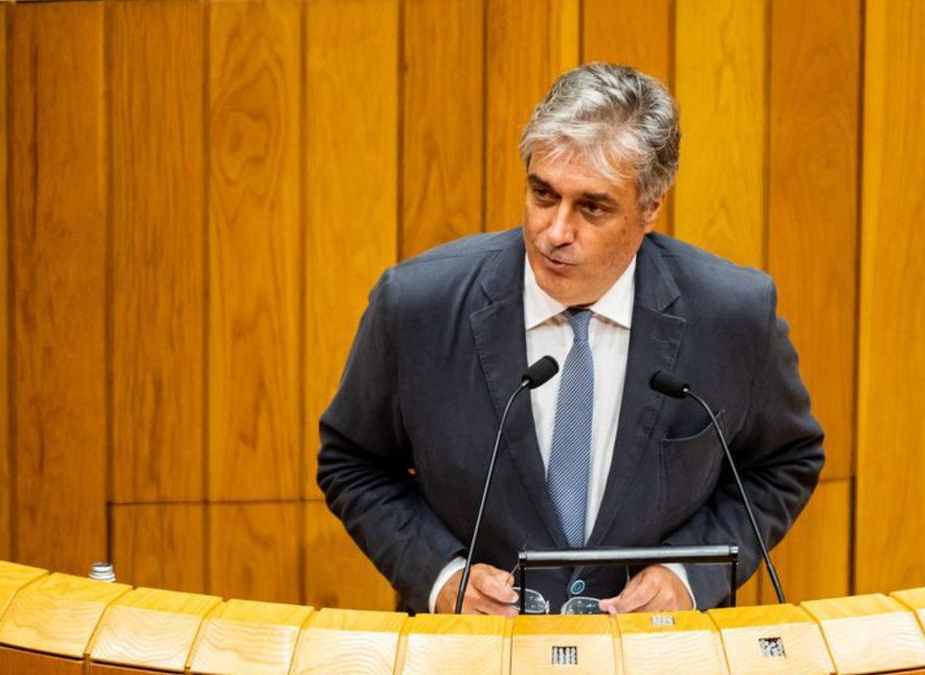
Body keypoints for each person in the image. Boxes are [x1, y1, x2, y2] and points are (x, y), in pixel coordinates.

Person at [317, 63, 824, 616]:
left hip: (656, 654)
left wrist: (687, 574)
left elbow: (784, 462)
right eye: (543, 194)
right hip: (478, 655)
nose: (556, 232)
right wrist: (442, 576)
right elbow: (354, 463)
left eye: (592, 206)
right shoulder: (418, 306)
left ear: (650, 208)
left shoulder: (730, 315)